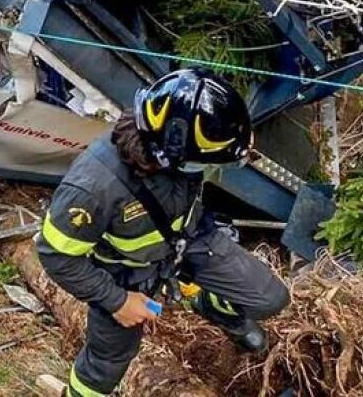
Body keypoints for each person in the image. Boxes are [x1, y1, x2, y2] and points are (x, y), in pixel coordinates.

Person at [37, 68, 290, 396]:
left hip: (188, 240)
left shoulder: (178, 134)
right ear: (169, 154)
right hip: (125, 273)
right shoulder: (92, 187)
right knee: (106, 364)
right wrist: (117, 301)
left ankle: (209, 303)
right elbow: (56, 255)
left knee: (270, 298)